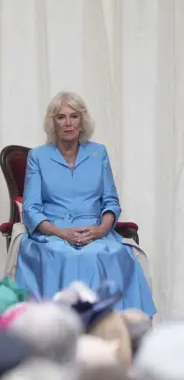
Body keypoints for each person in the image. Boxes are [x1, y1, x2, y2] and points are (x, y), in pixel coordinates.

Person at [15, 91, 156, 317]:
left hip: (95, 231)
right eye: (61, 117)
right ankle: (61, 329)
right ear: (53, 123)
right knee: (66, 255)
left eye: (74, 116)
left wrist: (101, 230)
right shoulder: (38, 156)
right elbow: (31, 208)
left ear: (82, 121)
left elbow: (111, 202)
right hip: (52, 233)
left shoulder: (98, 152)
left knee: (113, 253)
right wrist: (60, 232)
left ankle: (117, 327)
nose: (68, 123)